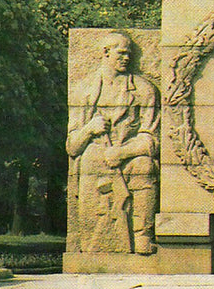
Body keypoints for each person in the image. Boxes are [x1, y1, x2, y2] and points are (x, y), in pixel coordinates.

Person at [67, 32, 160, 254]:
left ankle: (142, 235)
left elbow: (151, 140)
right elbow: (72, 147)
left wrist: (122, 152)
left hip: (128, 157)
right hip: (94, 160)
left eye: (129, 54)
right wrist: (89, 129)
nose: (127, 58)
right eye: (121, 53)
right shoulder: (84, 90)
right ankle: (90, 241)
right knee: (89, 161)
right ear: (105, 53)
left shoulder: (144, 90)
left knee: (146, 166)